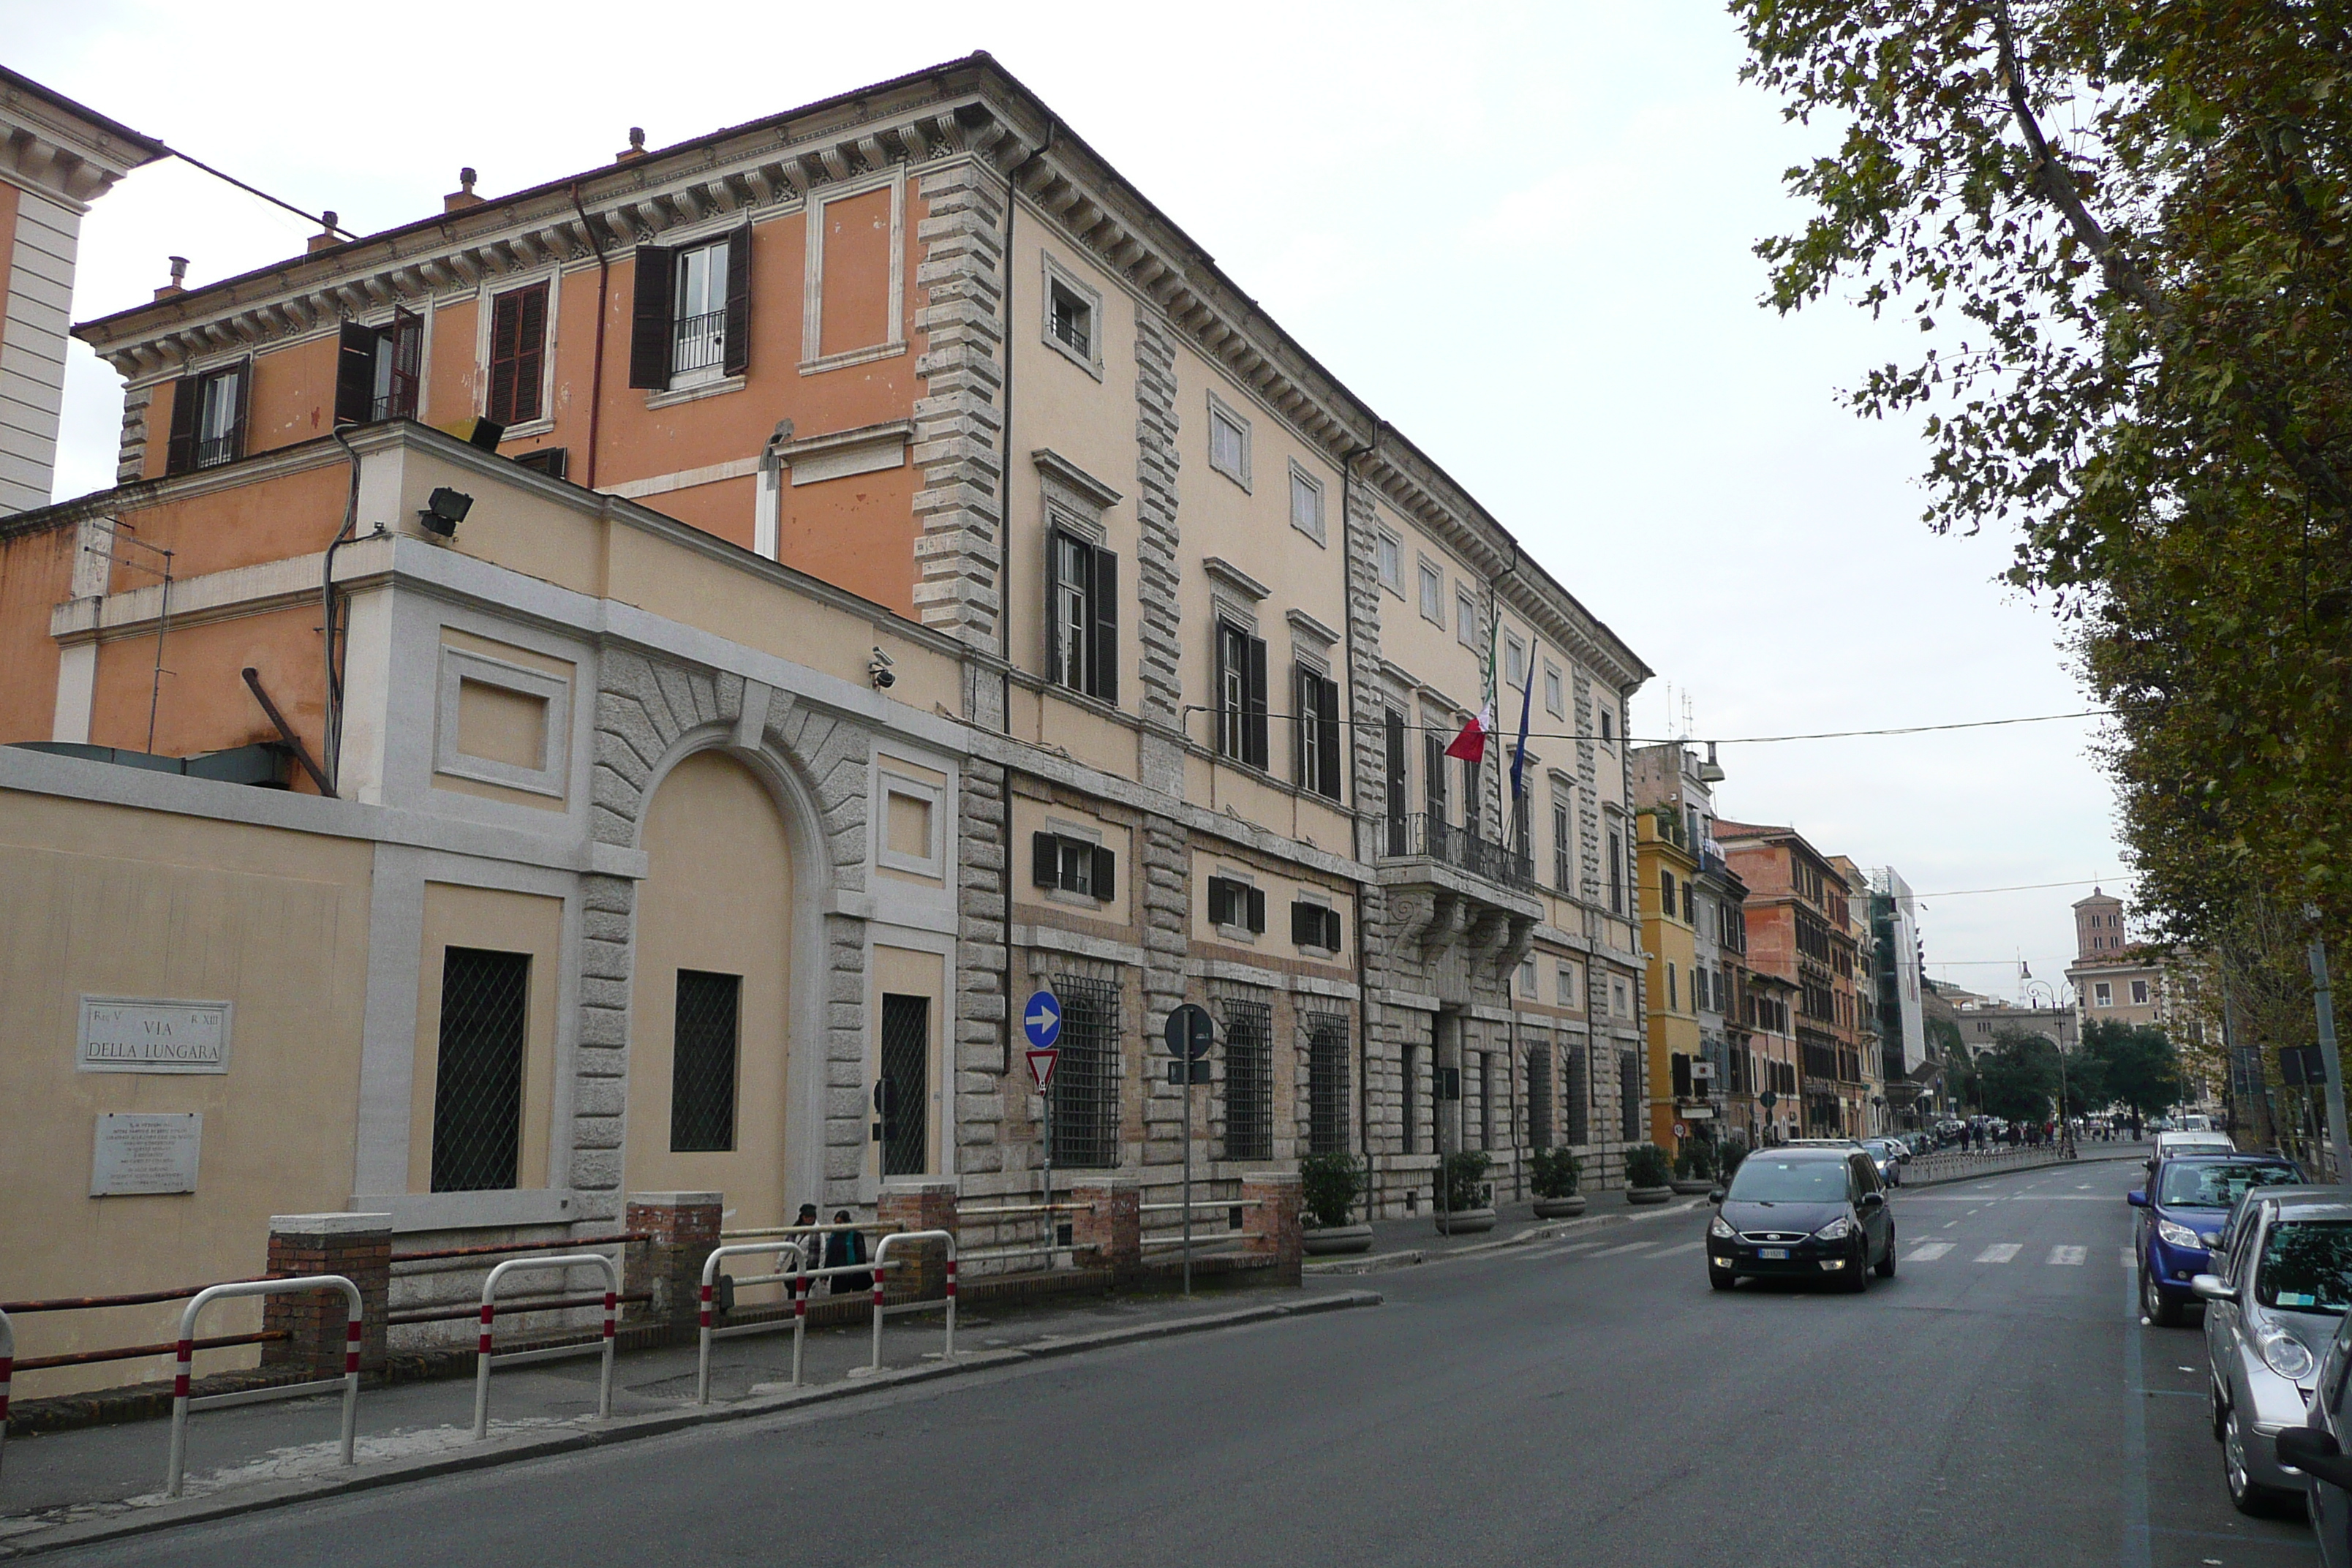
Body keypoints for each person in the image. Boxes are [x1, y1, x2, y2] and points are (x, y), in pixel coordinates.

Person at [823, 1209, 872, 1295]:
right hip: (839, 1274)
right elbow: (830, 1256)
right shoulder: (834, 1237)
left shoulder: (856, 1235)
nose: (838, 1226)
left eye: (840, 1223)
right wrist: (825, 1276)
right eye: (836, 1223)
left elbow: (861, 1256)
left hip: (854, 1274)